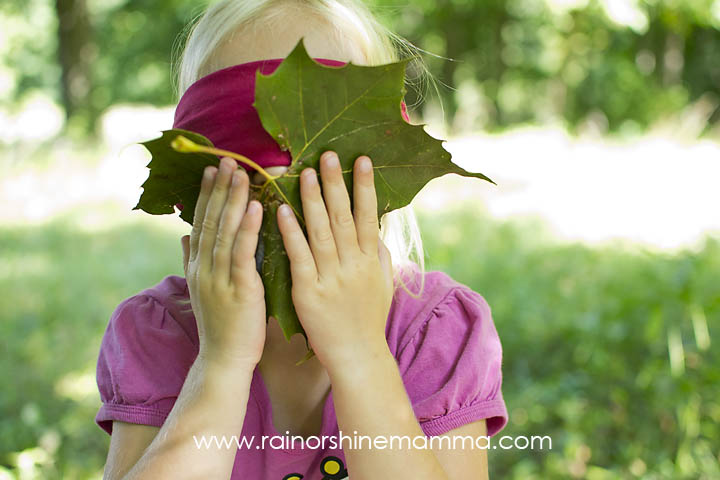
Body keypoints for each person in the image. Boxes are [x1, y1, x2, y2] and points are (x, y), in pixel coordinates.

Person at [95, 1, 508, 479]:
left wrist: (360, 353)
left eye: (315, 169)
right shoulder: (155, 334)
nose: (276, 181)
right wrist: (220, 365)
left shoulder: (436, 334)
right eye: (246, 157)